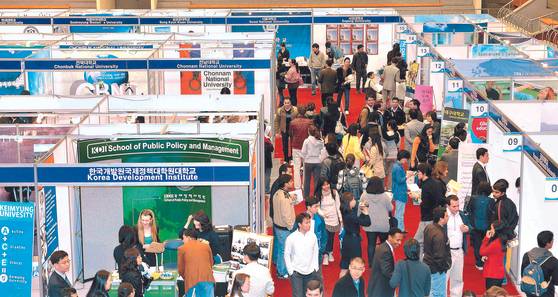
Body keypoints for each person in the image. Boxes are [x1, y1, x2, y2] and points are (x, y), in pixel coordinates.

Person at [285, 212, 320, 297]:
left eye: (309, 222)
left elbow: (315, 252)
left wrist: (315, 267)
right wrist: (291, 271)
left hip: (311, 272)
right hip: (296, 273)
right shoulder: (291, 238)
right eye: (306, 222)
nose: (309, 225)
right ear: (299, 224)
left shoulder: (313, 236)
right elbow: (287, 255)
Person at [360, 176, 393, 267]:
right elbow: (391, 208)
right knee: (384, 244)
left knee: (371, 244)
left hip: (370, 224)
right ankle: (383, 261)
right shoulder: (384, 196)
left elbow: (360, 209)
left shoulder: (364, 195)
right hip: (383, 224)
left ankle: (371, 263)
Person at [339, 192, 371, 277]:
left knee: (345, 265)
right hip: (353, 242)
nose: (355, 201)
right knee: (356, 264)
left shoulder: (347, 211)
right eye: (353, 199)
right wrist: (366, 212)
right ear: (349, 202)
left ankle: (341, 286)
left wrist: (362, 211)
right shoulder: (350, 215)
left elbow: (358, 220)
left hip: (347, 239)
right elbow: (367, 223)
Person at [272, 174, 296, 279]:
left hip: (277, 226)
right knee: (284, 250)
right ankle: (281, 272)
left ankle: (279, 268)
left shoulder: (277, 193)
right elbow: (286, 215)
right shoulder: (285, 198)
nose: (292, 183)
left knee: (280, 248)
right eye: (290, 181)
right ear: (285, 184)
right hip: (284, 228)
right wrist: (291, 227)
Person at [446, 195, 471, 297]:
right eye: (454, 206)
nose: (457, 208)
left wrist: (467, 228)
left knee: (457, 279)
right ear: (448, 206)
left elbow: (470, 226)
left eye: (458, 205)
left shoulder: (462, 215)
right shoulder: (443, 216)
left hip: (459, 251)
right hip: (447, 252)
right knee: (443, 279)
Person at [423, 206, 452, 297]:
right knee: (437, 293)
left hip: (428, 264)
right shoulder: (439, 234)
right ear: (441, 219)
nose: (448, 217)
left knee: (431, 290)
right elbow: (439, 255)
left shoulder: (429, 227)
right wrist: (445, 267)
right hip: (437, 269)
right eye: (446, 216)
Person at [178, 228, 215, 297]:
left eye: (183, 238)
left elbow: (181, 269)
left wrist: (186, 277)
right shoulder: (206, 246)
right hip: (208, 278)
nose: (183, 241)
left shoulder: (182, 248)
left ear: (188, 237)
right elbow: (211, 263)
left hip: (192, 281)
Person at [368, 228, 404, 297]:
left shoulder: (384, 247)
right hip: (381, 290)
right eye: (397, 240)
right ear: (390, 237)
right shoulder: (385, 251)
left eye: (401, 240)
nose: (400, 243)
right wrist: (400, 279)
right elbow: (387, 271)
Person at [521, 230, 558, 297]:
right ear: (548, 243)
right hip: (546, 293)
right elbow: (556, 281)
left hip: (530, 291)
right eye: (552, 240)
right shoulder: (553, 261)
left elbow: (523, 274)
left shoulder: (527, 255)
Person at [315, 177, 342, 265]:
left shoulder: (334, 193)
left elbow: (338, 206)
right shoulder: (318, 194)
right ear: (321, 186)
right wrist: (323, 214)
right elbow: (317, 207)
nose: (326, 186)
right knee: (325, 237)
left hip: (334, 219)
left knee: (331, 237)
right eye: (324, 185)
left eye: (327, 184)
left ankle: (330, 252)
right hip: (324, 219)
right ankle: (325, 255)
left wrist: (340, 219)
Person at [469, 181, 495, 270]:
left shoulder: (473, 199)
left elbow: (469, 211)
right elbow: (492, 214)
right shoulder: (491, 201)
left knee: (477, 244)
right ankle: (485, 262)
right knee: (486, 244)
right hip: (487, 226)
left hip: (475, 226)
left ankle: (479, 263)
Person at [290, 108, 314, 190]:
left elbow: (291, 134)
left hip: (296, 146)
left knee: (296, 167)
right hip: (306, 147)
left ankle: (297, 187)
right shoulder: (309, 122)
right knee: (305, 167)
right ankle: (304, 185)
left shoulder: (293, 122)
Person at [480, 221, 507, 289]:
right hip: (498, 274)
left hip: (492, 274)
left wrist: (486, 238)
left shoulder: (496, 243)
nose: (490, 230)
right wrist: (487, 256)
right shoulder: (501, 240)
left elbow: (481, 252)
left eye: (492, 229)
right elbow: (493, 253)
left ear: (497, 231)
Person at [301, 125, 324, 198]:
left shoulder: (306, 141)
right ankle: (317, 196)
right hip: (318, 162)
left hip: (308, 162)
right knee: (317, 181)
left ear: (308, 132)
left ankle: (306, 196)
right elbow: (322, 151)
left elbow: (303, 152)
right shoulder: (320, 141)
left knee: (307, 181)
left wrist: (303, 160)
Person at [274, 98, 299, 163]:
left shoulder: (295, 110)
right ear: (283, 103)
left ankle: (292, 158)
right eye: (285, 103)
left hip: (293, 129)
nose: (287, 104)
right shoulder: (279, 110)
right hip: (284, 129)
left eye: (288, 103)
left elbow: (298, 119)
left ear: (290, 103)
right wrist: (277, 131)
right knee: (285, 144)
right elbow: (277, 121)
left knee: (293, 144)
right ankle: (286, 158)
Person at [306, 197, 328, 267]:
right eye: (315, 206)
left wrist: (321, 249)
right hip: (304, 252)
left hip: (317, 251)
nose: (318, 208)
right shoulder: (301, 219)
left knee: (317, 274)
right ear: (308, 207)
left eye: (318, 206)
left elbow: (324, 234)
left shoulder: (320, 219)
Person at [392, 150, 411, 232]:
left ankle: (399, 228)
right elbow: (400, 180)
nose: (406, 161)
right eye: (406, 159)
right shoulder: (398, 167)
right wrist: (407, 176)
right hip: (400, 192)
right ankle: (399, 230)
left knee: (398, 212)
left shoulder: (397, 166)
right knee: (399, 213)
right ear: (403, 158)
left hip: (398, 191)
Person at [383, 119, 400, 189]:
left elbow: (383, 145)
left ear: (389, 126)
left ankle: (383, 186)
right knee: (391, 173)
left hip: (386, 156)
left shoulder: (385, 134)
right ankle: (389, 187)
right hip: (394, 155)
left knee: (383, 173)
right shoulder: (397, 134)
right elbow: (398, 145)